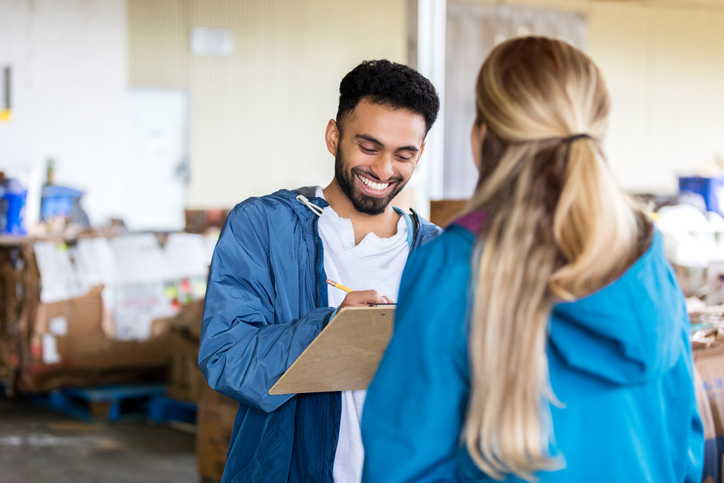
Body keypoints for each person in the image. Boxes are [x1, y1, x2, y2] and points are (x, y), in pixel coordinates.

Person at [361, 37, 703, 482]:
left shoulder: (455, 269)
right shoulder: (646, 258)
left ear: (480, 136)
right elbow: (685, 445)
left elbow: (403, 467)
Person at [199, 59, 441, 483]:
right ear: (334, 136)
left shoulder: (437, 251)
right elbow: (226, 358)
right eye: (369, 147)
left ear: (420, 153)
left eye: (404, 155)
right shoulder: (262, 227)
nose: (384, 171)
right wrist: (333, 333)